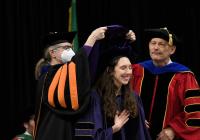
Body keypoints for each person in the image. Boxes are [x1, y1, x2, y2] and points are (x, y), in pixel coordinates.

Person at [74, 25, 151, 140]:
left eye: (130, 67)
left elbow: (140, 135)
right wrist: (115, 128)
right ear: (110, 71)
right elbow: (89, 137)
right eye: (123, 68)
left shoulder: (133, 97)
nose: (128, 72)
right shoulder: (95, 97)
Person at [34, 27, 107, 140]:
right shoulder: (47, 76)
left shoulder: (64, 72)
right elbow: (78, 66)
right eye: (66, 48)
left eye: (71, 48)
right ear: (52, 53)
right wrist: (92, 38)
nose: (71, 51)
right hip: (52, 132)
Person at [131, 27, 200, 140]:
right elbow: (122, 98)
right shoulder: (137, 70)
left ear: (172, 50)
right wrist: (135, 118)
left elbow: (194, 112)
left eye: (162, 44)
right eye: (153, 43)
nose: (156, 47)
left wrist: (174, 129)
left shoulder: (184, 76)